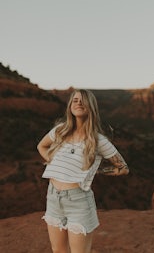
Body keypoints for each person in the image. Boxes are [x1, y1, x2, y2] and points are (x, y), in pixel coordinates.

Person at [37, 88, 129, 253]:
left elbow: (123, 168)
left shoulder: (98, 140)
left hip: (78, 201)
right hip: (53, 197)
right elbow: (41, 146)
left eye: (83, 100)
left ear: (91, 107)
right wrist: (54, 161)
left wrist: (97, 172)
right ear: (70, 106)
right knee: (58, 250)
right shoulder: (60, 130)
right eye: (75, 100)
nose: (79, 103)